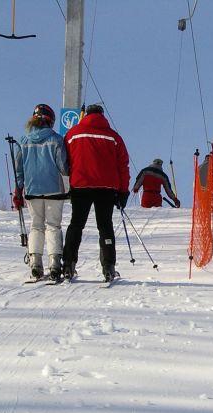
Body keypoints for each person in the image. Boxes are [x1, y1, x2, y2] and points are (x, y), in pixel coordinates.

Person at [62, 104, 130, 282]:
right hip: (106, 188)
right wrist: (123, 192)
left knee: (76, 224)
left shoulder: (72, 134)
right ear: (102, 115)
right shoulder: (114, 137)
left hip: (80, 185)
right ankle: (108, 266)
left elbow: (65, 160)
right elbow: (123, 166)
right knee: (105, 226)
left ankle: (68, 264)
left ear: (86, 115)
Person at [14, 104, 68, 281]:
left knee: (36, 226)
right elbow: (63, 168)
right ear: (51, 121)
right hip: (54, 190)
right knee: (53, 226)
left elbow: (19, 171)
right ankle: (54, 264)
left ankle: (35, 262)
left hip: (32, 190)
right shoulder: (56, 139)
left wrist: (18, 190)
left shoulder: (23, 141)